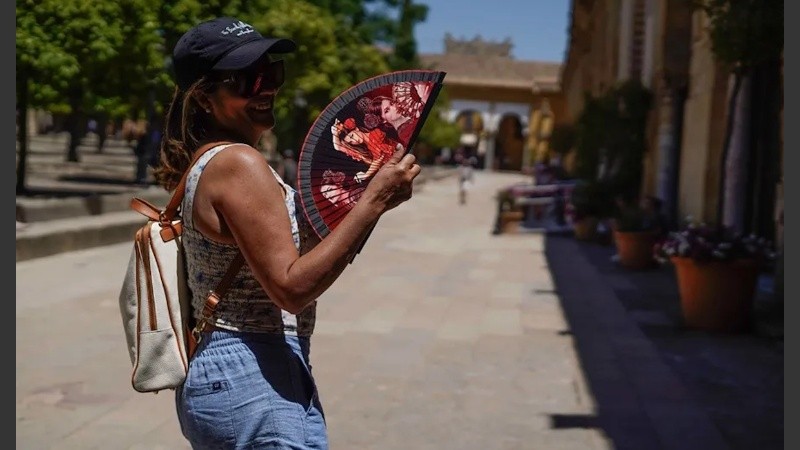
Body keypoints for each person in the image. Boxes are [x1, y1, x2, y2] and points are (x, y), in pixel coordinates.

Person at [154, 17, 421, 449]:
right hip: (252, 372)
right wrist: (373, 202)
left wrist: (371, 201)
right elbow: (291, 288)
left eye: (272, 72)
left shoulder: (211, 161)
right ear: (203, 96)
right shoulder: (238, 163)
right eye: (247, 79)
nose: (267, 88)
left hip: (234, 371)